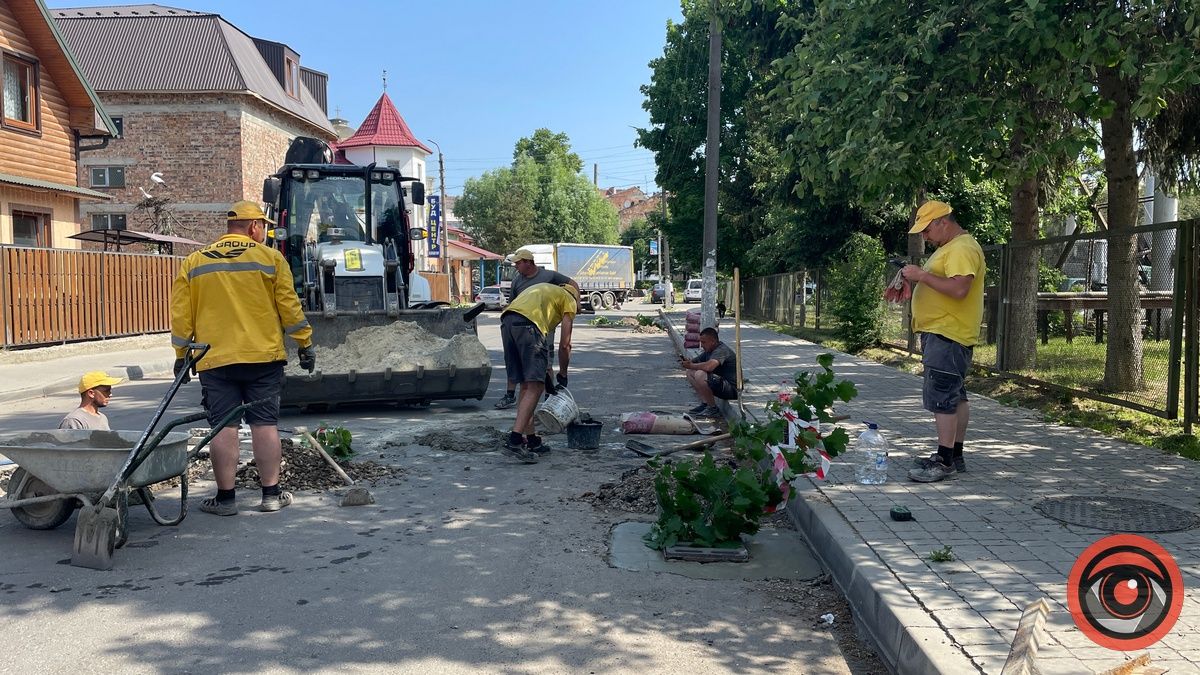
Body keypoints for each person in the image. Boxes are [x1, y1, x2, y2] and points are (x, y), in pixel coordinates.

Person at [170, 200, 316, 515]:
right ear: (253, 227)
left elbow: (182, 314)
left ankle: (225, 500)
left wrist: (181, 354)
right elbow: (289, 307)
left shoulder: (195, 262)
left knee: (224, 427)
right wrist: (305, 343)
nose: (264, 231)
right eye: (263, 226)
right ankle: (271, 496)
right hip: (263, 358)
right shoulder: (270, 259)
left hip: (216, 359)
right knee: (265, 425)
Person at [901, 200, 986, 483]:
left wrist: (922, 276)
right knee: (955, 395)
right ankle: (954, 455)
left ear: (942, 222)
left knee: (942, 398)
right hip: (946, 332)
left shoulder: (961, 248)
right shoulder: (953, 247)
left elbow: (960, 289)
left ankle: (945, 460)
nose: (924, 236)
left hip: (947, 333)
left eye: (926, 230)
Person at [498, 283, 581, 463]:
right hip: (529, 325)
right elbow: (565, 344)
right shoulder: (569, 299)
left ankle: (532, 440)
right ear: (575, 296)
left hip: (507, 322)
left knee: (527, 385)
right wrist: (563, 375)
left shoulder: (545, 291)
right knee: (536, 387)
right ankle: (515, 440)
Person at [494, 249, 580, 409]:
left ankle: (547, 399)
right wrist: (563, 373)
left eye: (518, 263)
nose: (516, 267)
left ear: (529, 262)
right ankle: (515, 397)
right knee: (522, 367)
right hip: (526, 323)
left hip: (536, 324)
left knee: (544, 363)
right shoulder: (517, 281)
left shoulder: (549, 276)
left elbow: (573, 284)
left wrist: (578, 302)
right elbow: (566, 345)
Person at [680, 327, 738, 418]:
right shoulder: (709, 350)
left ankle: (713, 409)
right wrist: (688, 363)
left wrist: (691, 365)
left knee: (700, 374)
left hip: (731, 389)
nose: (701, 345)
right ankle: (705, 404)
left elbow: (709, 367)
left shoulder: (721, 350)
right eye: (701, 342)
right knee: (690, 372)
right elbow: (695, 362)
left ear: (713, 341)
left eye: (704, 342)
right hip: (721, 384)